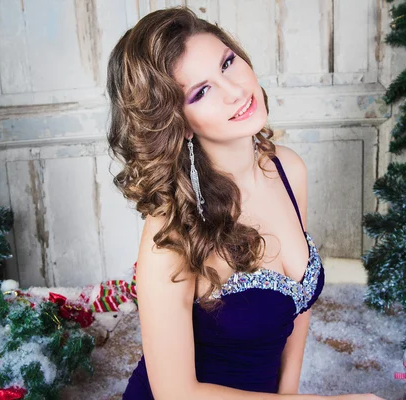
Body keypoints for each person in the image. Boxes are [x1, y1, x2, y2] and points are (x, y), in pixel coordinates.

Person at [106, 7, 384, 400]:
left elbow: (297, 306)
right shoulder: (170, 231)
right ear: (178, 122)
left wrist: (292, 395)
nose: (235, 91)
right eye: (201, 91)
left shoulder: (288, 169)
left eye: (228, 63)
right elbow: (175, 392)